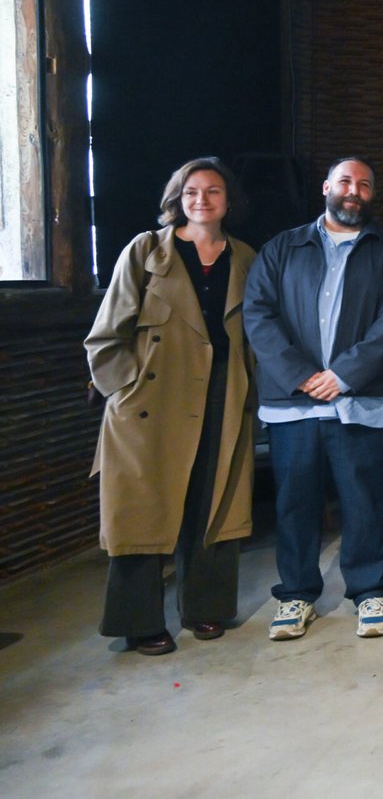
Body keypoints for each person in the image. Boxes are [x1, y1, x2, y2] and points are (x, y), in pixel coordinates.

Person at [84, 158, 258, 655]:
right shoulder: (145, 250)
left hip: (222, 392)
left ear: (229, 200)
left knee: (214, 500)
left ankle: (206, 608)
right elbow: (105, 336)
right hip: (152, 401)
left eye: (213, 191)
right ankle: (139, 622)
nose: (202, 200)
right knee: (142, 511)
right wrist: (127, 391)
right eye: (191, 191)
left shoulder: (245, 256)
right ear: (177, 199)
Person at [244, 156, 383, 641]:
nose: (354, 191)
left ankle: (369, 591)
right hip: (293, 403)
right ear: (326, 187)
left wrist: (343, 375)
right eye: (345, 181)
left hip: (362, 402)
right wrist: (301, 375)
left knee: (366, 500)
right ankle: (296, 594)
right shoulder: (282, 248)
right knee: (295, 503)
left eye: (364, 184)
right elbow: (257, 314)